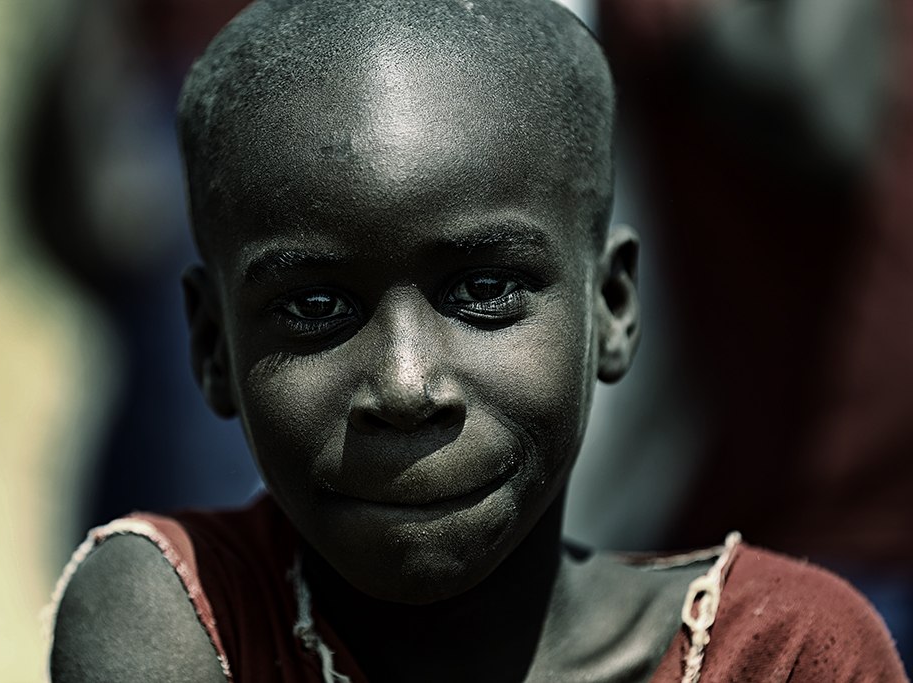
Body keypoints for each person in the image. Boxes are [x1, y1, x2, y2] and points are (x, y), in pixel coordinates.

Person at [47, 0, 907, 681]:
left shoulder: (785, 650)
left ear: (611, 306)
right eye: (315, 306)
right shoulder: (181, 615)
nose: (407, 383)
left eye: (484, 290)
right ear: (211, 345)